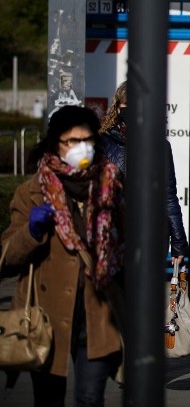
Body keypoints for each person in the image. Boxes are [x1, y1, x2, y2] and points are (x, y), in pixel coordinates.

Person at [1, 105, 124, 406]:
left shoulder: (111, 185)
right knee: (49, 399)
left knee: (90, 397)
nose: (80, 148)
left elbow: (133, 242)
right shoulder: (31, 193)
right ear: (55, 143)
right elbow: (6, 258)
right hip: (47, 316)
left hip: (98, 312)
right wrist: (31, 232)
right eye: (71, 141)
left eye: (87, 140)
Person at [99, 81, 188, 265]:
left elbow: (169, 196)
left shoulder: (160, 146)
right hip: (113, 231)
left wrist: (178, 242)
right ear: (117, 108)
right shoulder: (103, 143)